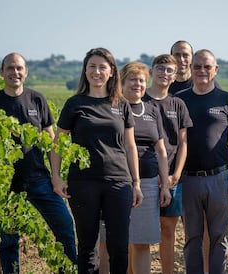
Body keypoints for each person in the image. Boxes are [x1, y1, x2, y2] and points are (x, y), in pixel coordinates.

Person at [50, 47, 143, 274]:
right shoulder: (75, 104)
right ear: (85, 71)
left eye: (102, 67)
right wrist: (56, 176)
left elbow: (130, 146)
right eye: (92, 66)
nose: (97, 72)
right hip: (83, 183)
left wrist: (136, 183)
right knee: (87, 247)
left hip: (119, 182)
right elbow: (57, 145)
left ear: (111, 72)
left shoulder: (121, 105)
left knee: (119, 246)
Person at [0, 52, 77, 274]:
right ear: (2, 72)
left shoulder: (37, 100)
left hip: (38, 178)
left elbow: (51, 141)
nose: (15, 72)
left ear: (26, 72)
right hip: (6, 184)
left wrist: (55, 176)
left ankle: (70, 270)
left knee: (64, 226)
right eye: (10, 68)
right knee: (8, 240)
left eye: (19, 68)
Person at [176, 49, 228, 274]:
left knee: (219, 236)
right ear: (190, 69)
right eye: (197, 66)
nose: (202, 71)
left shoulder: (226, 99)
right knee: (191, 238)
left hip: (219, 178)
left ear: (215, 69)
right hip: (188, 179)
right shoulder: (180, 100)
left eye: (207, 67)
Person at [120, 61, 172, 274]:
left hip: (149, 184)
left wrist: (165, 185)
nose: (137, 84)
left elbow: (161, 151)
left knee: (141, 242)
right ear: (122, 82)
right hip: (119, 181)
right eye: (132, 79)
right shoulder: (114, 107)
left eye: (141, 80)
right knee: (118, 243)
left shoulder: (152, 110)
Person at [143, 54, 193, 274]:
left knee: (168, 231)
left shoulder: (178, 104)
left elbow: (183, 143)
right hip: (143, 176)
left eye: (169, 70)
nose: (164, 73)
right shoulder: (138, 100)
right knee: (136, 234)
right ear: (151, 71)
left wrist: (176, 175)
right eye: (160, 68)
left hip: (172, 177)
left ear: (175, 76)